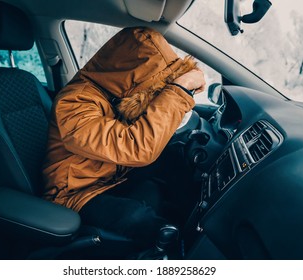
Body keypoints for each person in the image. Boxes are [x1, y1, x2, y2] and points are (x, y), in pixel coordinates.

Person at [42, 27, 206, 254]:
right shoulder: (74, 103)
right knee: (140, 218)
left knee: (173, 166)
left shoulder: (114, 97)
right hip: (75, 194)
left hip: (110, 177)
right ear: (130, 75)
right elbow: (136, 147)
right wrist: (177, 90)